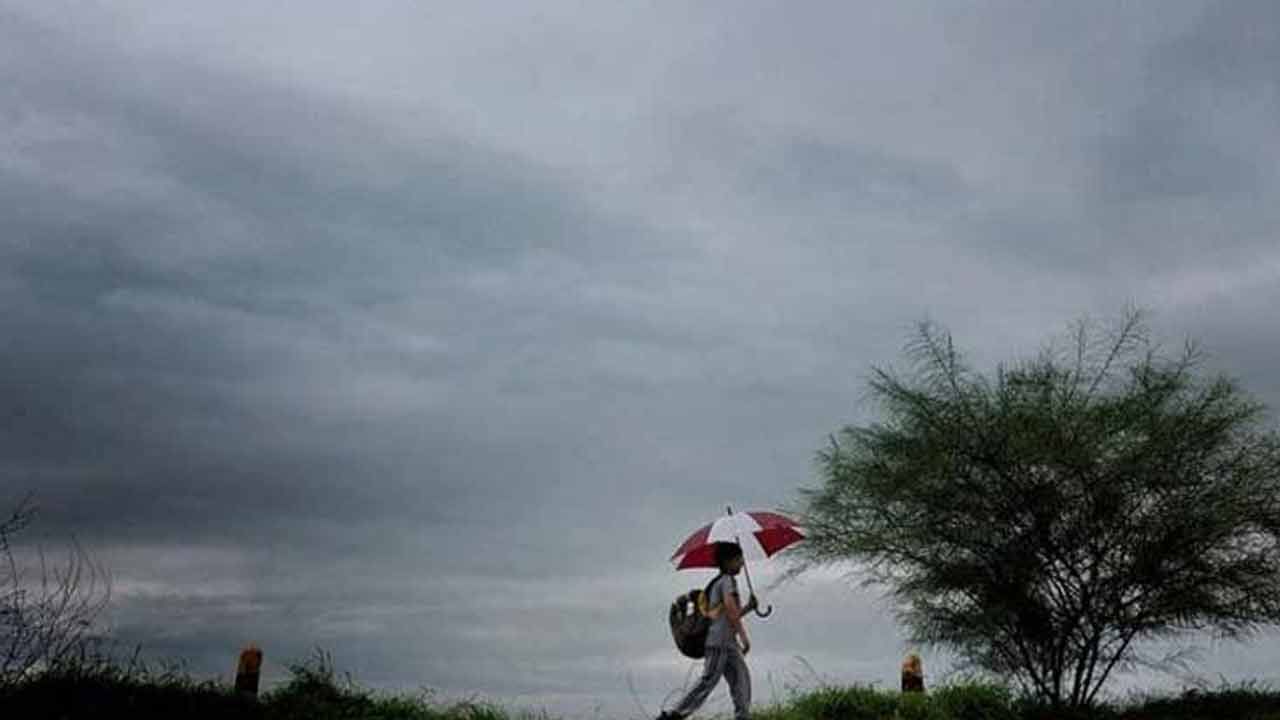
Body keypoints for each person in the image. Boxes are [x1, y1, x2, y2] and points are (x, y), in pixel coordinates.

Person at [658, 541, 758, 720]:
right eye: (739, 559)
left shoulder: (720, 583)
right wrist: (744, 637)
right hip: (719, 642)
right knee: (709, 680)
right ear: (728, 562)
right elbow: (729, 608)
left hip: (728, 643)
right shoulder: (727, 581)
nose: (742, 563)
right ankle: (674, 714)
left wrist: (749, 607)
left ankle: (743, 716)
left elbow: (726, 616)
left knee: (741, 680)